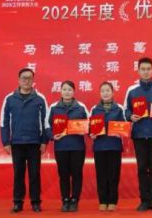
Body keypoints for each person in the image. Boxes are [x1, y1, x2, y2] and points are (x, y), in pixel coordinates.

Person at [123, 57, 152, 212]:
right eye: (143, 69)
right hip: (139, 134)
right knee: (142, 168)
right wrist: (130, 116)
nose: (146, 72)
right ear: (138, 71)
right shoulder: (132, 90)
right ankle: (144, 200)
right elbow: (126, 110)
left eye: (148, 69)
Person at [0, 68, 48, 214]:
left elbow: (45, 121)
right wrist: (6, 142)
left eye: (29, 78)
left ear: (33, 80)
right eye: (24, 78)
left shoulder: (40, 99)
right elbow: (4, 122)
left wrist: (44, 141)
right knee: (18, 174)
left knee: (35, 174)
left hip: (35, 143)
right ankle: (17, 202)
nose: (26, 81)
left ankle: (35, 202)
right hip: (17, 143)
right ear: (18, 80)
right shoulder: (9, 99)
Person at [45, 81, 88, 212]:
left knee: (76, 174)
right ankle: (65, 200)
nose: (67, 92)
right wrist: (53, 136)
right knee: (63, 175)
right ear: (61, 91)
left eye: (69, 89)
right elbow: (47, 125)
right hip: (61, 147)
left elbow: (90, 124)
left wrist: (85, 130)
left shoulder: (81, 107)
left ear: (74, 91)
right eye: (64, 89)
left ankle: (74, 200)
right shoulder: (54, 107)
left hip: (77, 147)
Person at [89, 81, 125, 212]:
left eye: (108, 90)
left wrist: (120, 131)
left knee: (113, 175)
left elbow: (124, 126)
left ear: (113, 92)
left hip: (114, 146)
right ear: (100, 93)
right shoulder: (94, 109)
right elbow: (89, 127)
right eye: (103, 91)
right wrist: (91, 134)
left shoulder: (119, 108)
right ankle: (103, 201)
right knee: (101, 175)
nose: (105, 93)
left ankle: (112, 201)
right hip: (99, 146)